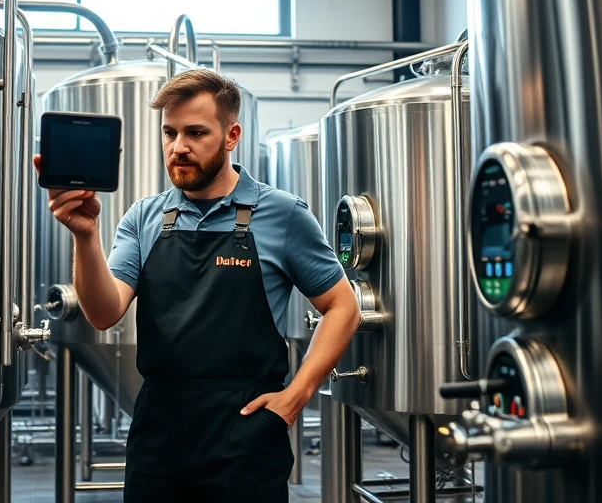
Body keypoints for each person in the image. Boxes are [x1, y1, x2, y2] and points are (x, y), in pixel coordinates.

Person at [35, 69, 359, 502]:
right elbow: (103, 311)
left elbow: (343, 305)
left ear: (231, 136)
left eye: (195, 133)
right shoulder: (144, 217)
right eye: (169, 133)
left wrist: (294, 399)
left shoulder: (281, 214)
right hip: (158, 434)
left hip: (245, 432)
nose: (178, 147)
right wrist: (85, 235)